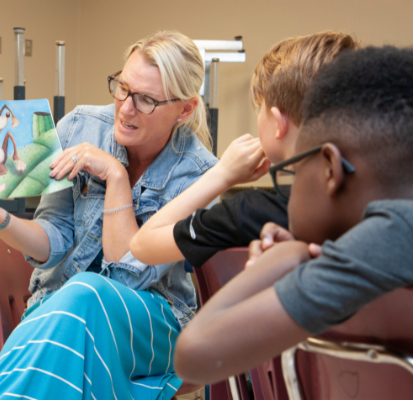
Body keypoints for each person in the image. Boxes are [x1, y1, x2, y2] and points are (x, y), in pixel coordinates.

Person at [0, 31, 219, 399]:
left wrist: (116, 176)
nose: (125, 108)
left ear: (185, 109)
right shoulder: (80, 126)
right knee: (72, 309)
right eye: (122, 88)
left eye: (146, 100)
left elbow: (128, 277)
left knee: (85, 294)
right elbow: (54, 238)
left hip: (152, 323)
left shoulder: (200, 175)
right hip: (62, 305)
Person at [173, 45, 413, 384]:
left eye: (292, 171)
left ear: (329, 169)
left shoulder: (393, 234)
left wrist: (285, 258)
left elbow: (194, 355)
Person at [130, 31, 358, 268]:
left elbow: (142, 245)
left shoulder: (251, 212)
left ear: (278, 123)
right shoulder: (379, 198)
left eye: (260, 108)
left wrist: (223, 174)